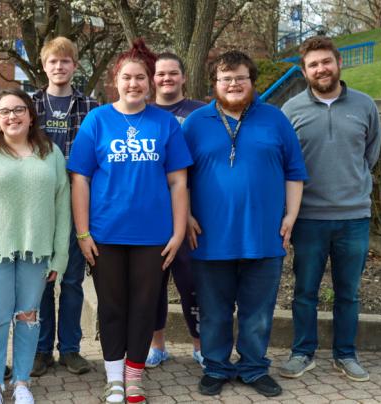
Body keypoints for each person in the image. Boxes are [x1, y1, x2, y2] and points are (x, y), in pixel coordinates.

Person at [68, 39, 191, 404]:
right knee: (111, 306)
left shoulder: (165, 123)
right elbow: (80, 180)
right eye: (127, 77)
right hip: (106, 233)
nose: (134, 84)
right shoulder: (97, 120)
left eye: (140, 78)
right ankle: (114, 378)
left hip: (153, 235)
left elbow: (178, 181)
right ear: (115, 81)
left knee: (144, 306)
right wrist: (82, 232)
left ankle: (134, 376)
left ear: (150, 83)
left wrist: (180, 230)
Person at [183, 50, 307, 398]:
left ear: (252, 82)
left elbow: (294, 172)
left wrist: (291, 215)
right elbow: (178, 177)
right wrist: (186, 215)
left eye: (240, 77)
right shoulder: (195, 122)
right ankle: (217, 367)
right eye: (226, 79)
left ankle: (253, 368)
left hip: (264, 235)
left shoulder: (275, 119)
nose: (233, 84)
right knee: (214, 311)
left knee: (258, 312)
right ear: (215, 84)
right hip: (209, 236)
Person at [0, 88, 71, 404]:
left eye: (18, 109)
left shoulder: (51, 153)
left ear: (30, 114)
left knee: (28, 316)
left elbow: (63, 208)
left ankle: (22, 382)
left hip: (37, 252)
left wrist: (60, 256)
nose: (12, 116)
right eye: (4, 111)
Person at [280, 36, 381, 382]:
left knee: (348, 293)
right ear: (304, 70)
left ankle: (345, 354)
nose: (320, 69)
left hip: (353, 217)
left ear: (338, 63)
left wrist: (351, 186)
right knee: (305, 291)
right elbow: (285, 163)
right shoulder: (291, 110)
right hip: (308, 217)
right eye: (313, 64)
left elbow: (370, 153)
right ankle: (302, 352)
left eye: (326, 61)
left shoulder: (365, 105)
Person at [30, 36, 98, 377]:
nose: (59, 67)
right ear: (44, 66)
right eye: (53, 61)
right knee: (42, 280)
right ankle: (41, 350)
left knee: (72, 281)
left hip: (76, 202)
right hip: (39, 206)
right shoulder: (29, 106)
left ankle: (70, 349)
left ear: (74, 66)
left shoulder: (91, 108)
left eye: (66, 61)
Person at [146, 52, 206, 368]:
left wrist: (190, 212)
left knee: (191, 285)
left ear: (183, 77)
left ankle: (200, 346)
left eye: (173, 73)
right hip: (154, 218)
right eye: (160, 74)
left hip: (191, 217)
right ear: (152, 79)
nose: (166, 79)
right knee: (154, 286)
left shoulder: (201, 113)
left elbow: (203, 169)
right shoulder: (142, 113)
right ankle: (158, 346)